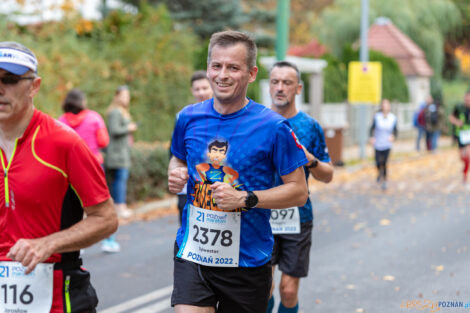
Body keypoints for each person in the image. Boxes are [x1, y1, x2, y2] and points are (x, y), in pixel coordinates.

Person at [168, 31, 309, 313]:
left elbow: (299, 191)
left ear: (252, 73)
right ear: (208, 68)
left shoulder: (274, 127)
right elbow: (178, 158)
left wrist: (245, 199)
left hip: (248, 260)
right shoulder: (188, 117)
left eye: (233, 67)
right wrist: (176, 172)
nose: (223, 75)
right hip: (194, 251)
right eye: (216, 66)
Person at [0, 41, 117, 313]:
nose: (0, 88)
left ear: (34, 86)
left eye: (11, 79)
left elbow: (106, 218)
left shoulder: (64, 143)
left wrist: (48, 243)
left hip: (58, 296)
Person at [266, 61, 333, 313]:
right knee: (264, 289)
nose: (280, 88)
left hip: (298, 215)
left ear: (298, 88)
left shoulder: (310, 126)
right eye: (275, 82)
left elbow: (327, 175)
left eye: (287, 82)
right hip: (261, 214)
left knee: (289, 290)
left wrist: (310, 159)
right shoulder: (257, 122)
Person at [175, 71, 214, 224]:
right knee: (186, 227)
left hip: (214, 183)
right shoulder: (183, 116)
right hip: (188, 184)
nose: (201, 92)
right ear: (192, 91)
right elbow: (175, 151)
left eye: (204, 88)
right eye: (197, 89)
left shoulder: (225, 114)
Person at [103, 85, 137, 252]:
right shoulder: (115, 112)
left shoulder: (123, 111)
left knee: (120, 179)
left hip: (122, 153)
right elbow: (115, 130)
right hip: (116, 155)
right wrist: (129, 128)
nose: (126, 98)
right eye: (123, 95)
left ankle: (119, 205)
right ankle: (119, 205)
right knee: (120, 180)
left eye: (127, 95)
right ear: (116, 96)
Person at [58, 88, 109, 165]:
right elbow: (103, 142)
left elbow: (58, 145)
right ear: (83, 102)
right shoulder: (94, 117)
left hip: (70, 164)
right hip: (93, 162)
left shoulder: (60, 121)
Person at [369, 98, 397, 190]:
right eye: (383, 105)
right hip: (378, 143)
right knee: (377, 162)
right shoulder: (377, 117)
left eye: (387, 105)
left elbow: (396, 130)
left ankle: (384, 180)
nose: (385, 107)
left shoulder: (392, 118)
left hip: (387, 144)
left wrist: (393, 136)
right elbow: (371, 128)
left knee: (384, 162)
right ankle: (379, 172)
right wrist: (372, 137)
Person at [448, 91, 470, 184]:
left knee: (468, 154)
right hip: (461, 135)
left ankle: (465, 174)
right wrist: (457, 122)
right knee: (462, 156)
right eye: (466, 99)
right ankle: (465, 167)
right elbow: (450, 117)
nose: (468, 101)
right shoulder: (459, 107)